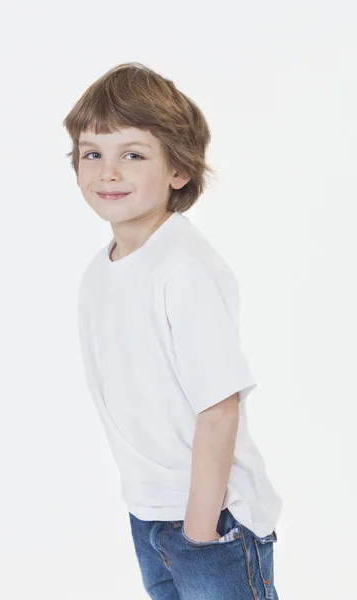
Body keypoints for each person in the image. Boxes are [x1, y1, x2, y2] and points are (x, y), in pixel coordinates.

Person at [63, 61, 282, 599]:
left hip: (212, 521)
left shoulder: (183, 268)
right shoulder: (104, 269)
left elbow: (218, 405)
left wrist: (199, 529)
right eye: (92, 153)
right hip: (150, 511)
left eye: (132, 155)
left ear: (179, 170)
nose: (107, 172)